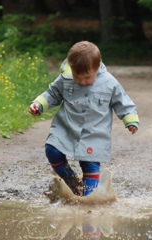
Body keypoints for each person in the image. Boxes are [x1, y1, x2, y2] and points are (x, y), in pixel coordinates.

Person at [29, 41, 139, 197]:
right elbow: (53, 93)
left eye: (87, 77)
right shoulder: (66, 78)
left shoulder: (109, 83)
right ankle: (70, 180)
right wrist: (38, 104)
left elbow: (122, 101)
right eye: (77, 76)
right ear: (71, 67)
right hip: (66, 126)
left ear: (97, 66)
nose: (81, 81)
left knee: (90, 165)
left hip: (94, 132)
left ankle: (89, 199)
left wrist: (130, 120)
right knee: (52, 150)